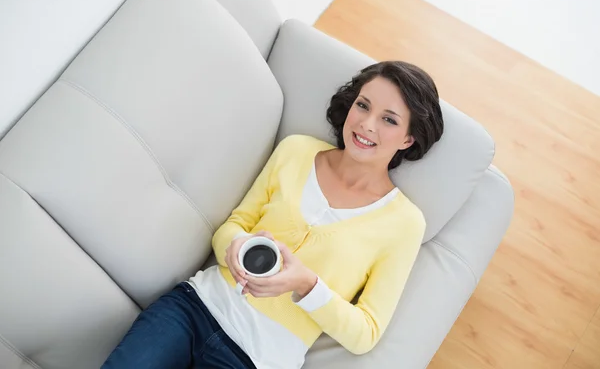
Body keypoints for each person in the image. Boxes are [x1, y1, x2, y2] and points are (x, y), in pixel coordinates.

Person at [102, 61, 444, 369]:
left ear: (407, 139)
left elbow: (365, 334)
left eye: (389, 120)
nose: (367, 124)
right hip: (194, 309)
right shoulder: (297, 150)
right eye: (363, 105)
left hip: (258, 360)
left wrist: (306, 284)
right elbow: (235, 225)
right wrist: (237, 245)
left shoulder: (404, 223)